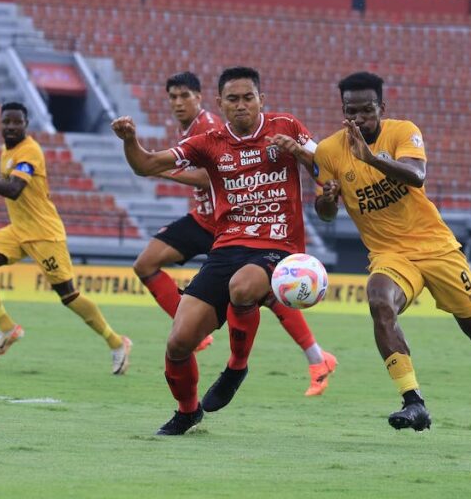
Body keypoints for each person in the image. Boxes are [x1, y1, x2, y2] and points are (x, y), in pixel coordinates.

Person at [312, 72, 471, 436]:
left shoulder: (404, 131)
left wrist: (372, 158)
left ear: (382, 108)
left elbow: (416, 175)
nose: (359, 118)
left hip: (436, 247)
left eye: (367, 109)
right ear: (342, 111)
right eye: (351, 111)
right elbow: (326, 213)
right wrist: (326, 201)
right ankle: (413, 402)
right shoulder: (329, 151)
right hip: (390, 254)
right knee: (379, 301)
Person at [113, 66, 318, 436]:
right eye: (233, 100)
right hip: (226, 246)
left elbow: (326, 166)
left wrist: (301, 153)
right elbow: (145, 165)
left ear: (261, 100)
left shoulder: (287, 126)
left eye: (248, 98)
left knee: (243, 287)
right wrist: (130, 139)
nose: (242, 106)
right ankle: (188, 412)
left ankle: (236, 366)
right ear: (220, 103)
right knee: (178, 343)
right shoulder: (209, 141)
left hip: (277, 246)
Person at [0, 102, 132, 373]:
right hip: (18, 229)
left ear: (26, 124)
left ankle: (117, 342)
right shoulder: (7, 151)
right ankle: (8, 328)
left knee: (68, 296)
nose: (12, 127)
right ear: (1, 123)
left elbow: (14, 190)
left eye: (17, 122)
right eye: (7, 122)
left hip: (43, 233)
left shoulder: (30, 151)